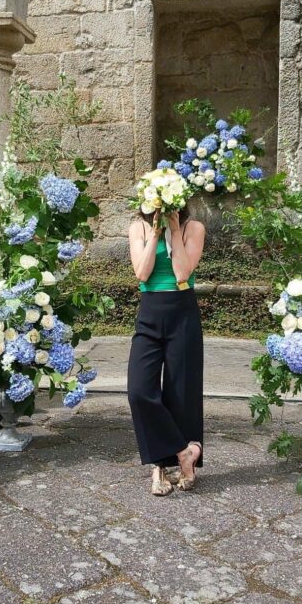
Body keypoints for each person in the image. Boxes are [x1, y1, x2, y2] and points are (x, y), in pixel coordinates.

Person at [126, 203, 206, 496]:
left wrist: (173, 230)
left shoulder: (192, 228)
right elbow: (142, 273)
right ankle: (181, 450)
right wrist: (157, 232)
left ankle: (164, 464)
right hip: (150, 312)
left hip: (182, 312)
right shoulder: (139, 228)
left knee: (181, 390)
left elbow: (182, 273)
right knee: (139, 389)